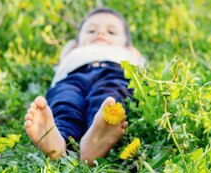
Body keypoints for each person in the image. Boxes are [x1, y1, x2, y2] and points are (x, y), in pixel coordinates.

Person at [23, 7, 145, 164]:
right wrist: (69, 50)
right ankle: (59, 139)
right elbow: (64, 57)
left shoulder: (126, 53)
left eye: (112, 32)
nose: (100, 34)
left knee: (109, 98)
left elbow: (140, 65)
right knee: (66, 101)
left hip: (113, 73)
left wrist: (134, 55)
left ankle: (97, 135)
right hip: (73, 77)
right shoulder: (75, 52)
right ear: (76, 43)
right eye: (91, 31)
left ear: (129, 48)